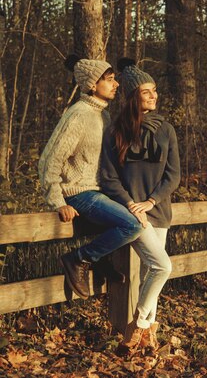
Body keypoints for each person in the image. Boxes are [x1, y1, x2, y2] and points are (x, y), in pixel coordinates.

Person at [38, 55, 145, 300]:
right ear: (92, 85)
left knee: (135, 216)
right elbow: (49, 160)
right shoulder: (78, 115)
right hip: (79, 194)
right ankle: (79, 258)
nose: (115, 84)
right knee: (132, 224)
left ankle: (100, 262)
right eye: (109, 80)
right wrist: (58, 202)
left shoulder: (102, 115)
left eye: (115, 79)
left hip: (97, 191)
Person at [100, 58, 180, 354]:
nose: (153, 96)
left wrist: (151, 201)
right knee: (163, 267)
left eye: (154, 90)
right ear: (134, 96)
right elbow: (108, 178)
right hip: (130, 214)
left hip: (158, 210)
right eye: (146, 92)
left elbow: (174, 175)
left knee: (151, 273)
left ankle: (146, 337)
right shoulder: (115, 131)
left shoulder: (166, 130)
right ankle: (138, 326)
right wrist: (132, 204)